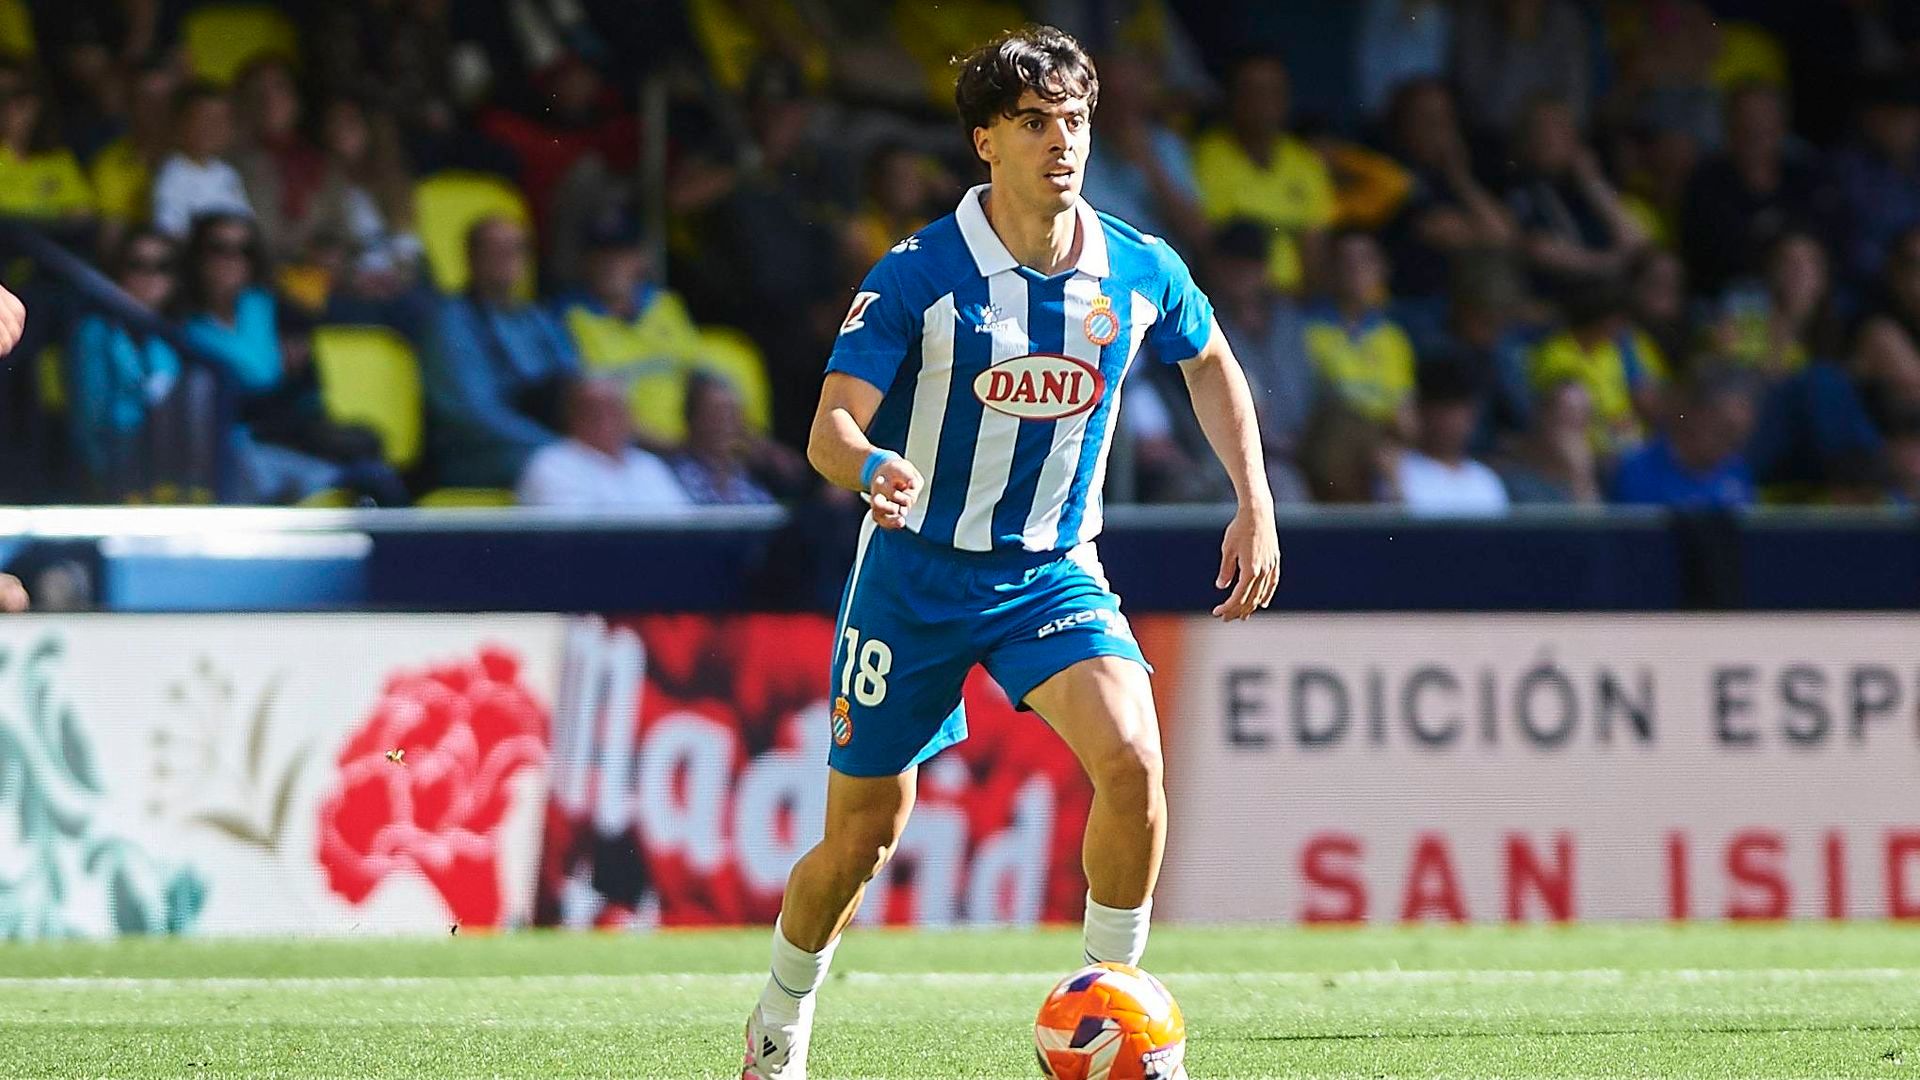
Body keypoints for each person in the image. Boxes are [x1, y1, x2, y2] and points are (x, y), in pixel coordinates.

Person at [740, 26, 1279, 1080]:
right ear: (985, 141)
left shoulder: (1136, 266)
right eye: (1034, 123)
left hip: (1049, 570)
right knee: (860, 843)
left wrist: (1253, 503)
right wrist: (867, 466)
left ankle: (1114, 1009)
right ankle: (776, 1029)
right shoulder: (920, 274)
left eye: (1072, 120)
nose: (1060, 142)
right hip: (916, 576)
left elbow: (1211, 360)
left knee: (1132, 759)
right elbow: (827, 428)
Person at [421, 216, 579, 488]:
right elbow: (473, 415)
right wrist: (558, 447)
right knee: (569, 471)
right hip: (481, 454)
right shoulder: (451, 322)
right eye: (495, 250)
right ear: (471, 258)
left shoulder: (539, 317)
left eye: (517, 248)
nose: (508, 258)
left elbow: (576, 383)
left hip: (552, 443)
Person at [1191, 54, 1334, 295]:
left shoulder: (1305, 162)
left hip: (1293, 303)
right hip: (1228, 299)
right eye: (1253, 91)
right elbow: (1207, 245)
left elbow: (1315, 251)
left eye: (1272, 91)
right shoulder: (1206, 157)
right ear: (1232, 98)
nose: (1263, 102)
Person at [1302, 230, 1416, 433]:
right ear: (1331, 270)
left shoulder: (1394, 338)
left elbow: (1405, 417)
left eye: (1365, 260)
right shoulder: (1306, 330)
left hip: (1384, 444)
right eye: (1346, 261)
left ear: (1382, 269)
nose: (1355, 270)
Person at [516, 377, 689, 509]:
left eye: (614, 408)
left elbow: (684, 525)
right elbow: (575, 538)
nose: (604, 419)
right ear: (569, 416)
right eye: (592, 409)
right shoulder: (551, 464)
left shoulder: (648, 464)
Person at [1611, 369, 1758, 508]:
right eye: (1724, 433)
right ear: (1696, 416)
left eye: (1736, 441)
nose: (1729, 449)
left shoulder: (1736, 471)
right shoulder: (1636, 471)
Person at [1387, 356, 1511, 515]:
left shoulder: (1486, 480)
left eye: (1460, 408)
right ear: (1421, 409)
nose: (1452, 420)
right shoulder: (1396, 472)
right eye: (1443, 408)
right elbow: (1395, 537)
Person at [150, 82, 254, 238]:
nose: (212, 129)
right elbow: (168, 231)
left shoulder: (227, 173)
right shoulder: (172, 174)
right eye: (204, 120)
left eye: (219, 121)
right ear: (180, 124)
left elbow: (247, 222)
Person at [670, 370, 778, 506]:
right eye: (715, 413)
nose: (725, 424)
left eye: (731, 414)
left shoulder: (757, 477)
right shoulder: (669, 476)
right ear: (692, 418)